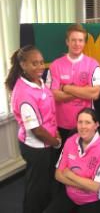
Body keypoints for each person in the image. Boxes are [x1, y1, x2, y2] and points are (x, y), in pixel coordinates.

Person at [5, 45, 61, 213]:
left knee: (44, 183)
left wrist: (55, 131)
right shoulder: (23, 93)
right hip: (36, 147)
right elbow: (36, 130)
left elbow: (48, 112)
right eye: (34, 63)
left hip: (47, 141)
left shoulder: (39, 81)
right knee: (35, 188)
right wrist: (55, 142)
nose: (40, 67)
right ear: (23, 64)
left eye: (42, 62)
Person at [43, 108, 100, 213]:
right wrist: (84, 186)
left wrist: (70, 175)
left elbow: (96, 187)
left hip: (95, 199)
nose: (83, 126)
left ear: (96, 125)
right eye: (80, 122)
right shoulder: (70, 141)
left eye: (88, 122)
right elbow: (58, 175)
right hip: (71, 195)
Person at [46, 24, 100, 146]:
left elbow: (95, 93)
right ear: (67, 42)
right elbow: (53, 95)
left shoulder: (93, 64)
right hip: (61, 124)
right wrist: (83, 91)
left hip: (86, 123)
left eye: (80, 40)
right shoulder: (55, 65)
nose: (77, 44)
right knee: (63, 160)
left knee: (84, 159)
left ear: (84, 42)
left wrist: (65, 88)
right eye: (73, 40)